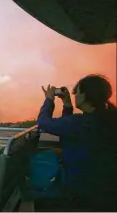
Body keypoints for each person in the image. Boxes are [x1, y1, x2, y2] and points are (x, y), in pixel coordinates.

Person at [19, 74, 117, 211]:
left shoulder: (81, 122)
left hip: (82, 194)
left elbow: (43, 123)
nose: (75, 95)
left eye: (76, 92)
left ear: (84, 96)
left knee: (34, 201)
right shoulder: (107, 120)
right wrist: (67, 105)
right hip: (105, 190)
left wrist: (49, 100)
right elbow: (69, 132)